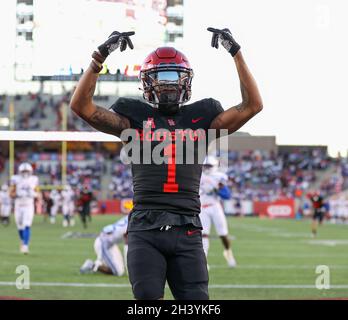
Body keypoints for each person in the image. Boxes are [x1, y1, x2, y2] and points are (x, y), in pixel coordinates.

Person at [70, 28, 262, 300]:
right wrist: (98, 57)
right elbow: (82, 107)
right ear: (147, 82)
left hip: (188, 228)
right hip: (145, 230)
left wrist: (236, 52)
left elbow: (253, 105)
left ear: (187, 81)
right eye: (161, 77)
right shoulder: (133, 116)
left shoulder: (203, 115)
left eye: (174, 77)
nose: (168, 85)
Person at [200, 156, 236, 268]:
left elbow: (227, 195)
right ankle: (204, 260)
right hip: (202, 207)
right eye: (205, 165)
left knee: (223, 233)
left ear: (215, 166)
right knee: (203, 234)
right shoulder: (198, 175)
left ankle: (228, 253)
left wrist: (216, 189)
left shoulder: (219, 177)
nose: (206, 168)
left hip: (215, 206)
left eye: (209, 165)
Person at [10, 163, 39, 254]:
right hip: (18, 205)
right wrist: (17, 194)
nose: (25, 173)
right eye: (24, 171)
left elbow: (38, 193)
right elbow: (11, 193)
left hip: (29, 205)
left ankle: (25, 245)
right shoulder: (15, 179)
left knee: (27, 225)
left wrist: (33, 194)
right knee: (19, 226)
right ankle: (23, 241)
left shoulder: (34, 179)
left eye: (27, 171)